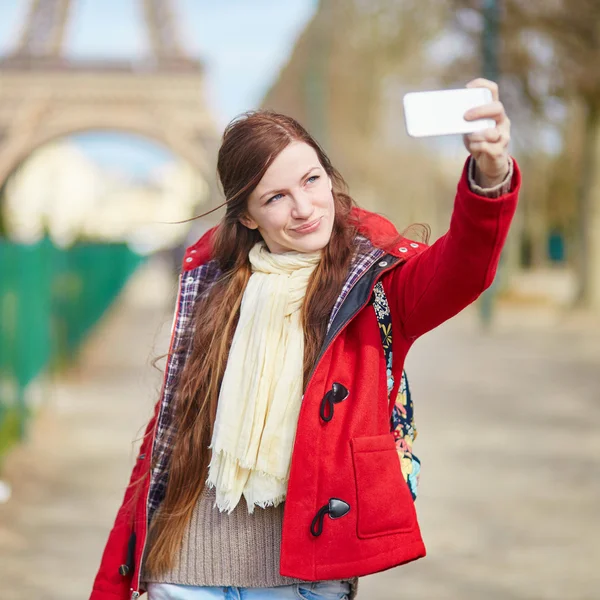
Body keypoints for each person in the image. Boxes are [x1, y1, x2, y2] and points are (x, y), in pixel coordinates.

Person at [90, 78, 521, 600]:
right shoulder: (210, 288)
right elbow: (167, 440)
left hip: (302, 580)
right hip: (183, 569)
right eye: (276, 197)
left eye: (311, 180)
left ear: (328, 175)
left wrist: (489, 176)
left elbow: (464, 269)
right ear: (247, 216)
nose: (304, 207)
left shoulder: (374, 287)